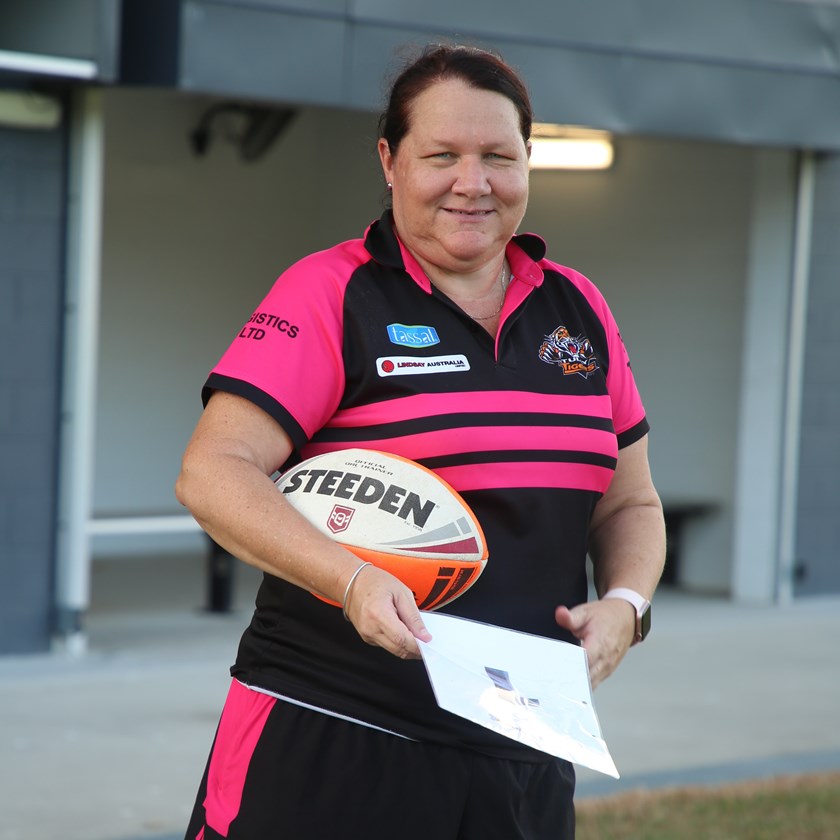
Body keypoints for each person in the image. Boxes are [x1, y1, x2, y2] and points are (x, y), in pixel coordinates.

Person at [177, 42, 665, 840]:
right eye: (442, 155)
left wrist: (626, 605)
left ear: (527, 162)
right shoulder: (333, 292)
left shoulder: (579, 311)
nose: (472, 183)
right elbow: (212, 473)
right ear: (390, 161)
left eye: (498, 157)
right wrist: (352, 582)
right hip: (333, 730)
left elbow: (632, 503)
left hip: (524, 741)